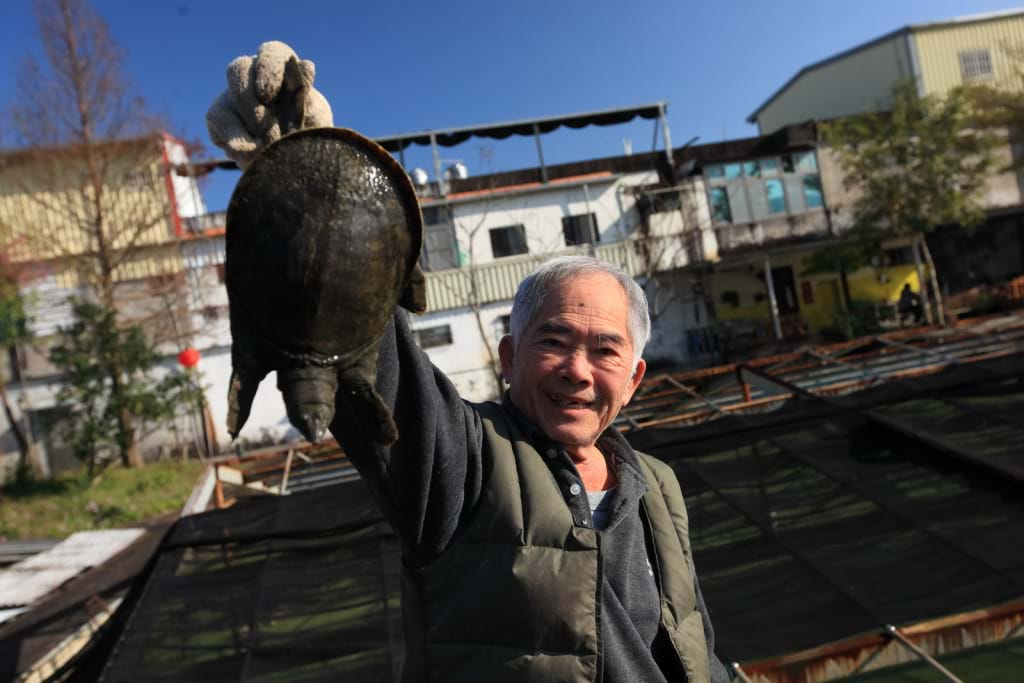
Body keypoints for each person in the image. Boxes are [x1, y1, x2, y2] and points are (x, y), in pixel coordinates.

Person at [208, 42, 730, 683]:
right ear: (509, 358)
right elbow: (373, 361)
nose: (577, 369)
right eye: (554, 341)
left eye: (605, 351)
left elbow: (693, 643)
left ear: (634, 377)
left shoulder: (659, 485)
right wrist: (305, 178)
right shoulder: (465, 460)